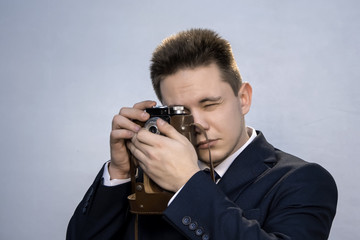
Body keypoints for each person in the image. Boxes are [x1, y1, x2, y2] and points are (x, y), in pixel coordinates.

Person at [67, 28, 337, 240]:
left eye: (210, 105)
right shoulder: (147, 177)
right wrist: (120, 173)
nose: (199, 124)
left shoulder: (303, 181)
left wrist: (188, 183)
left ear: (243, 98)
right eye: (183, 111)